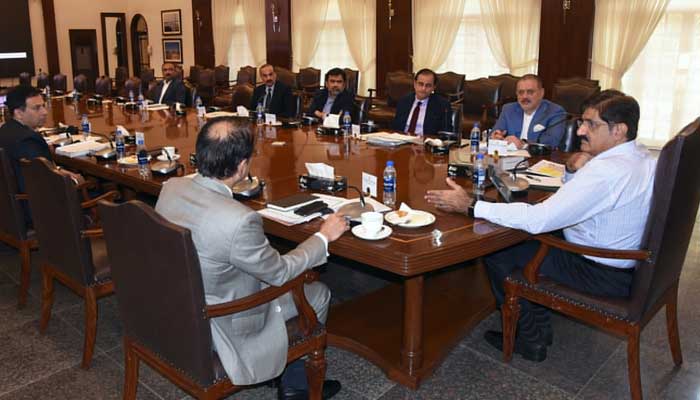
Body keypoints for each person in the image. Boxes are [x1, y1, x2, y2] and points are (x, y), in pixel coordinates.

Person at [425, 91, 655, 362]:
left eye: (590, 124)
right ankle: (539, 322)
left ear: (619, 131)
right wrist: (570, 171)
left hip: (600, 271)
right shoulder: (642, 156)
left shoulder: (606, 172)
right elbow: (576, 204)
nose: (580, 130)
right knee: (525, 239)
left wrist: (472, 206)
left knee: (499, 250)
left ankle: (529, 337)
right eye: (582, 122)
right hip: (625, 263)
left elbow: (540, 219)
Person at [155, 117, 347, 400]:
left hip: (177, 305)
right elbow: (280, 273)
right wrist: (323, 238)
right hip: (219, 321)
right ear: (243, 166)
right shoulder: (240, 220)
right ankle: (295, 387)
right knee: (316, 292)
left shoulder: (171, 187)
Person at [0, 85, 51, 196]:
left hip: (11, 205)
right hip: (39, 207)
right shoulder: (28, 140)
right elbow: (46, 185)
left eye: (43, 106)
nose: (45, 112)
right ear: (18, 113)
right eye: (37, 108)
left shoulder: (4, 130)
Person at [491, 74, 566, 149]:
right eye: (521, 92)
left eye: (530, 92)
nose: (525, 96)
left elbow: (551, 142)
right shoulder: (508, 109)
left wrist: (523, 144)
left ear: (541, 93)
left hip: (538, 157)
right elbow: (495, 132)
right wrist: (496, 136)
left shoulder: (555, 111)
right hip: (510, 157)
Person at [391, 69, 451, 135]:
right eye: (420, 84)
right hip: (402, 141)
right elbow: (396, 128)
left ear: (434, 87)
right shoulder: (404, 101)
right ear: (415, 84)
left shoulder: (442, 105)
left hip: (425, 142)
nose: (423, 89)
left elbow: (445, 133)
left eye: (428, 85)